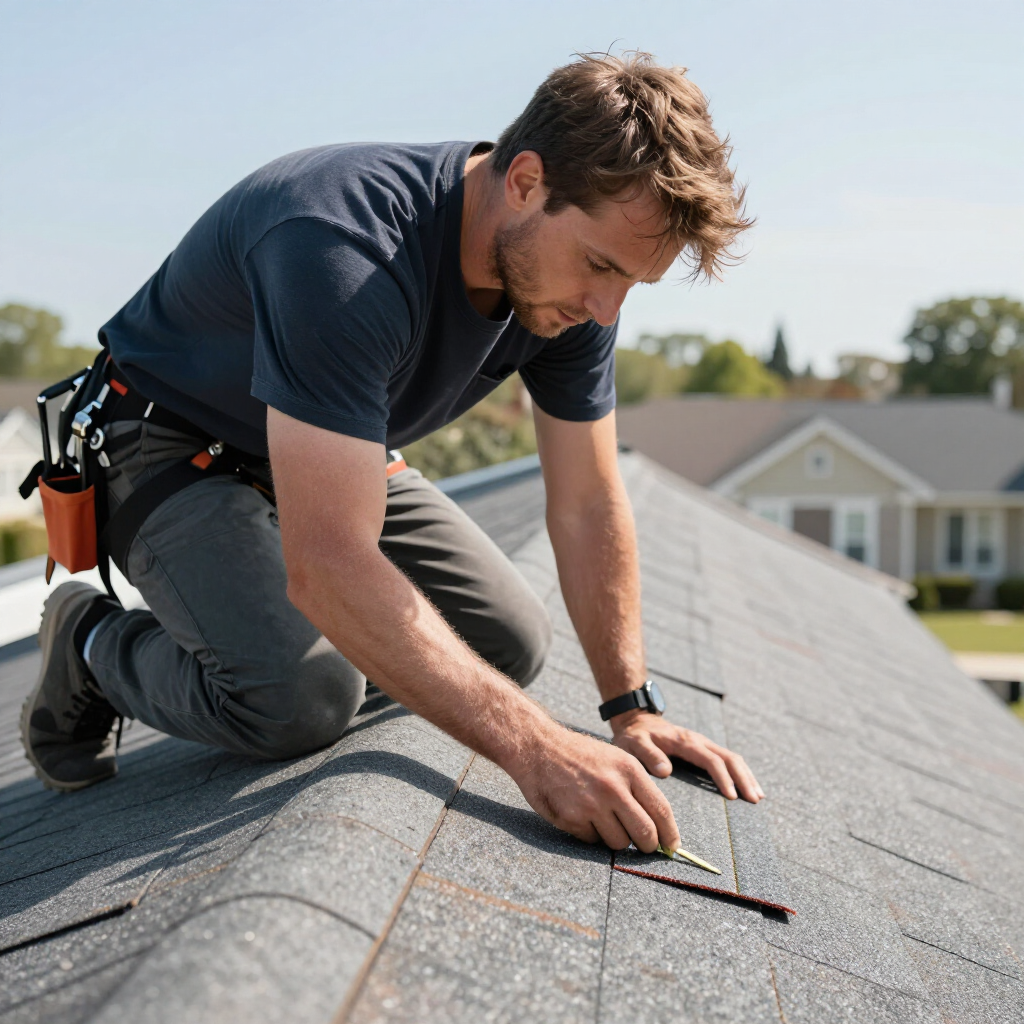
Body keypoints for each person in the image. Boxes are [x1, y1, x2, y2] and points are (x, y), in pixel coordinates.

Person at [22, 52, 763, 855]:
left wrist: (631, 707)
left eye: (632, 286)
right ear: (524, 181)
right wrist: (536, 748)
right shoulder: (344, 246)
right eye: (600, 267)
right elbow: (329, 560)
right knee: (300, 698)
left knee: (508, 642)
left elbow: (587, 501)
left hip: (323, 444)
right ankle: (91, 643)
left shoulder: (569, 295)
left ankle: (269, 635)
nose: (604, 309)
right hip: (166, 439)